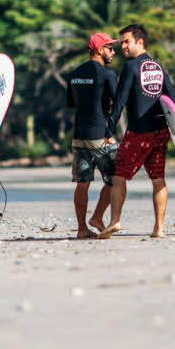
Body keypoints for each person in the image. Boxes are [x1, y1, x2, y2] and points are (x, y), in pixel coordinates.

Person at [99, 24, 175, 239]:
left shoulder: (130, 67)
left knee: (119, 176)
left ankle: (115, 221)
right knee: (158, 178)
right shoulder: (156, 66)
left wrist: (108, 130)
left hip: (139, 132)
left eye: (126, 42)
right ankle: (159, 229)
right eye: (121, 43)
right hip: (160, 131)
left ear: (140, 42)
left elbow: (119, 102)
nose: (123, 47)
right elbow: (172, 96)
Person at [65, 33, 119, 239]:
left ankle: (81, 229)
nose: (113, 52)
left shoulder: (74, 73)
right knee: (116, 178)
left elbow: (71, 103)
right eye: (109, 48)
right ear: (98, 49)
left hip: (79, 134)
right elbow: (117, 102)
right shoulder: (107, 74)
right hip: (100, 134)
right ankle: (96, 217)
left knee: (82, 183)